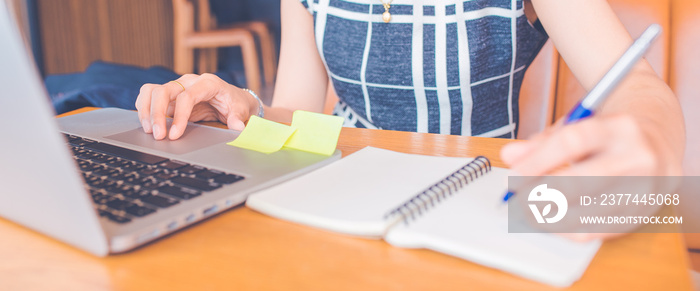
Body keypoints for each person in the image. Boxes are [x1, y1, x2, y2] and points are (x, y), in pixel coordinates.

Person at [135, 0, 685, 239]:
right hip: (335, 207)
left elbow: (638, 88)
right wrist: (248, 111)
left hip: (475, 210)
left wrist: (651, 150)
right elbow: (298, 115)